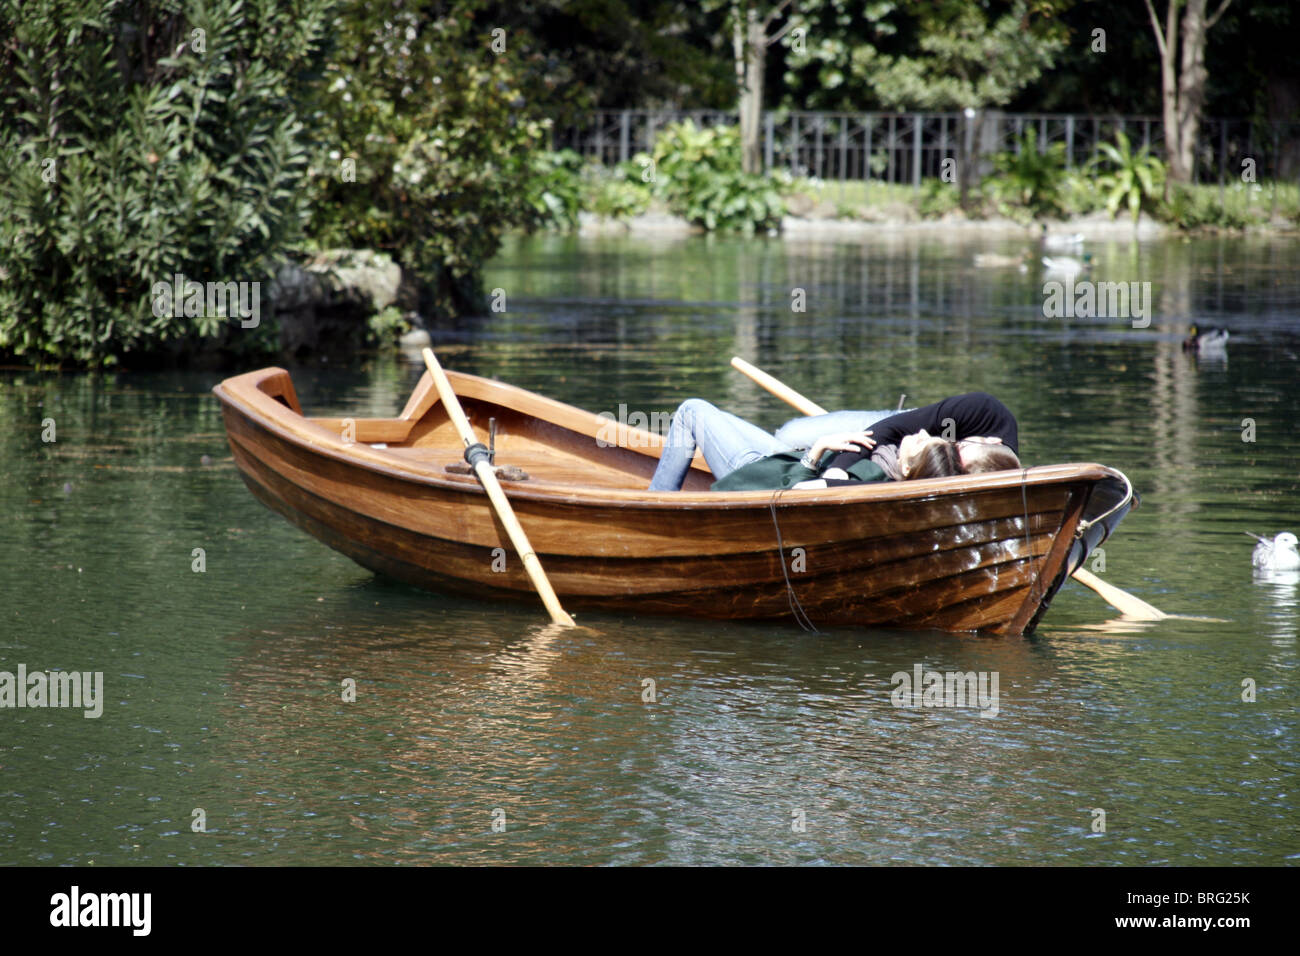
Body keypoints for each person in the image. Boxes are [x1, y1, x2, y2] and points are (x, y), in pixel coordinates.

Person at [647, 392, 1019, 491]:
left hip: (760, 474)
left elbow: (796, 492)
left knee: (692, 410)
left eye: (954, 451)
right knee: (788, 435)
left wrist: (819, 455)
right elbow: (893, 427)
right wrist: (832, 465)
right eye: (956, 447)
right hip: (789, 462)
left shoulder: (876, 478)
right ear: (988, 438)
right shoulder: (985, 419)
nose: (926, 436)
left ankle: (656, 509)